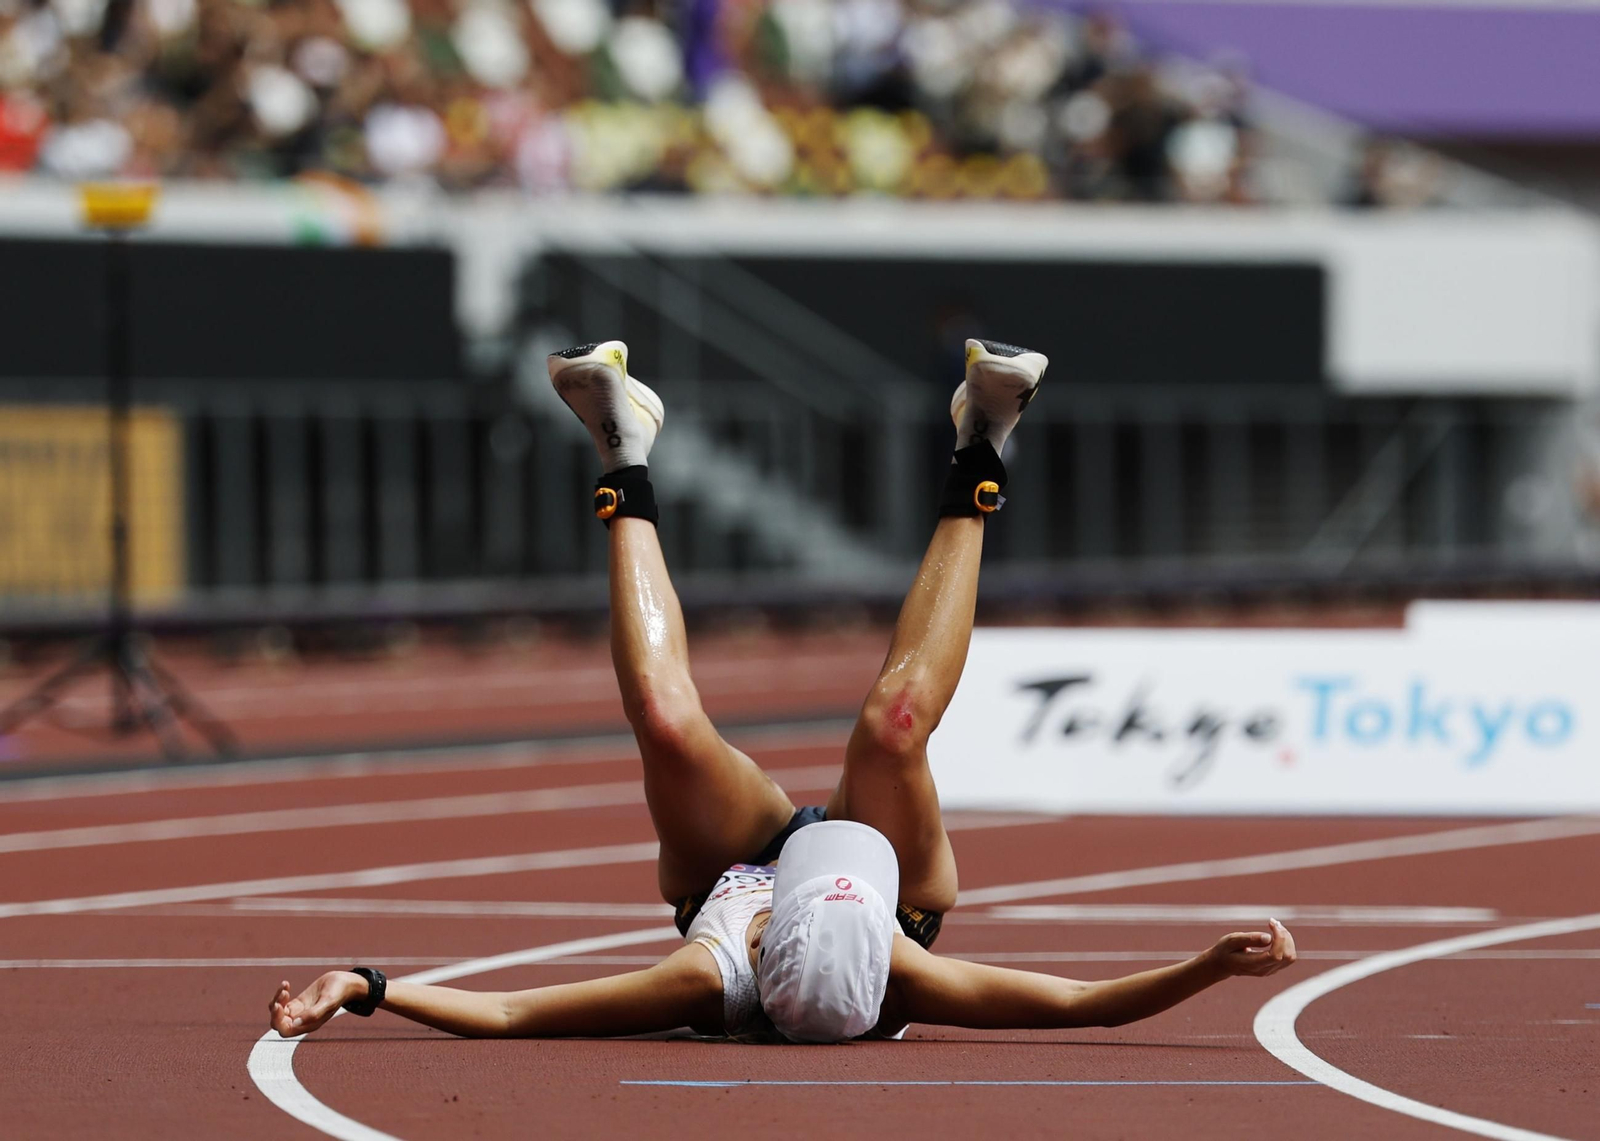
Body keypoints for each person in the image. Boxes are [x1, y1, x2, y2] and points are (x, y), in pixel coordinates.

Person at [267, 338, 1298, 1044]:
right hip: (898, 881)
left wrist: (366, 984)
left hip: (726, 868)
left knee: (666, 722)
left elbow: (513, 1014)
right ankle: (981, 446)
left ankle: (623, 448)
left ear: (764, 942)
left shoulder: (706, 976)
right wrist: (1211, 963)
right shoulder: (904, 968)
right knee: (893, 726)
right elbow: (1082, 1004)